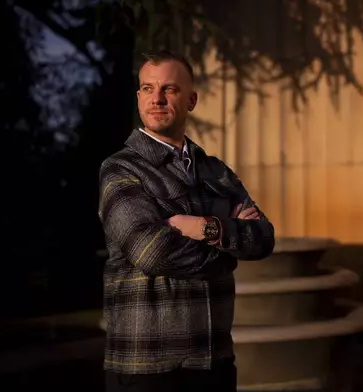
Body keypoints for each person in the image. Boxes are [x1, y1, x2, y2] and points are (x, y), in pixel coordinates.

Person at [98, 50, 275, 392]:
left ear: (191, 100)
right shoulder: (120, 169)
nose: (157, 98)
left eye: (170, 89)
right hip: (147, 366)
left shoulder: (216, 171)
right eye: (147, 89)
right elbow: (151, 252)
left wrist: (201, 227)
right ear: (138, 98)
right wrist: (227, 247)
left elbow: (264, 238)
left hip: (214, 360)